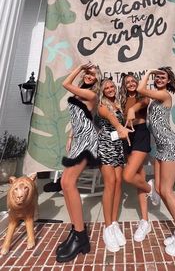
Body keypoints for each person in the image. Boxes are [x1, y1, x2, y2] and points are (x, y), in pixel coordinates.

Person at [137, 67, 175, 257]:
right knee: (161, 191)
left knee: (168, 191)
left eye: (164, 76)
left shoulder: (164, 95)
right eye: (158, 76)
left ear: (169, 80)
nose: (159, 78)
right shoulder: (155, 99)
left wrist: (149, 72)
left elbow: (140, 89)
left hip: (170, 146)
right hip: (161, 148)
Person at [56, 62, 101, 263]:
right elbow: (79, 118)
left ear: (97, 79)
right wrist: (70, 137)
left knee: (67, 183)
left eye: (93, 74)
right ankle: (76, 231)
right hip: (78, 138)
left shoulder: (91, 95)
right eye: (88, 73)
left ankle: (81, 237)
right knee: (66, 184)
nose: (89, 76)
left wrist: (81, 68)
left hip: (88, 140)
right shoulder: (79, 93)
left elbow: (65, 83)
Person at [120, 73, 160, 242]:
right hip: (127, 137)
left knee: (128, 176)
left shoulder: (143, 96)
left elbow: (144, 103)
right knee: (139, 178)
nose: (130, 83)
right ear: (124, 85)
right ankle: (145, 221)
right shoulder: (122, 100)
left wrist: (131, 109)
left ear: (137, 83)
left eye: (132, 81)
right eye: (127, 82)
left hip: (141, 135)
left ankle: (151, 190)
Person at [96, 78, 132, 253]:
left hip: (117, 146)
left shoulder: (117, 103)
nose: (110, 89)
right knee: (110, 184)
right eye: (106, 87)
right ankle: (107, 227)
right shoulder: (102, 106)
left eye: (112, 86)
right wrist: (120, 128)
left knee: (118, 184)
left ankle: (114, 223)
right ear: (102, 91)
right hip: (105, 146)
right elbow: (112, 120)